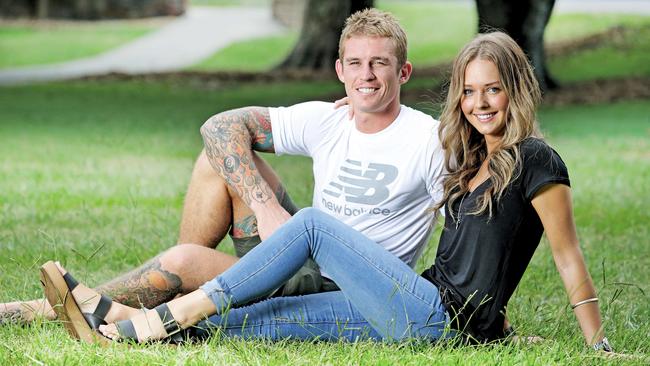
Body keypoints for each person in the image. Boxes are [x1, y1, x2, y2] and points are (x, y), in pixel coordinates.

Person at [44, 31, 613, 352]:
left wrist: (597, 344)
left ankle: (171, 312)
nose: (481, 103)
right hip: (409, 306)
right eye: (469, 92)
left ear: (516, 90)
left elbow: (567, 257)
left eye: (494, 90)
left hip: (431, 318)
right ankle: (123, 325)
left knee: (311, 223)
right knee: (270, 319)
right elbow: (484, 266)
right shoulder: (468, 161)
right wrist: (505, 329)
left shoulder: (537, 160)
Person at [6, 8, 446, 329]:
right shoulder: (328, 118)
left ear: (403, 71)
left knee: (183, 259)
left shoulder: (426, 140)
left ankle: (50, 309)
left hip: (339, 286)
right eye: (356, 63)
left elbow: (467, 223)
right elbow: (219, 126)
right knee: (217, 156)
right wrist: (266, 208)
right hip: (294, 250)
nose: (366, 75)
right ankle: (179, 296)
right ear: (340, 69)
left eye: (379, 64)